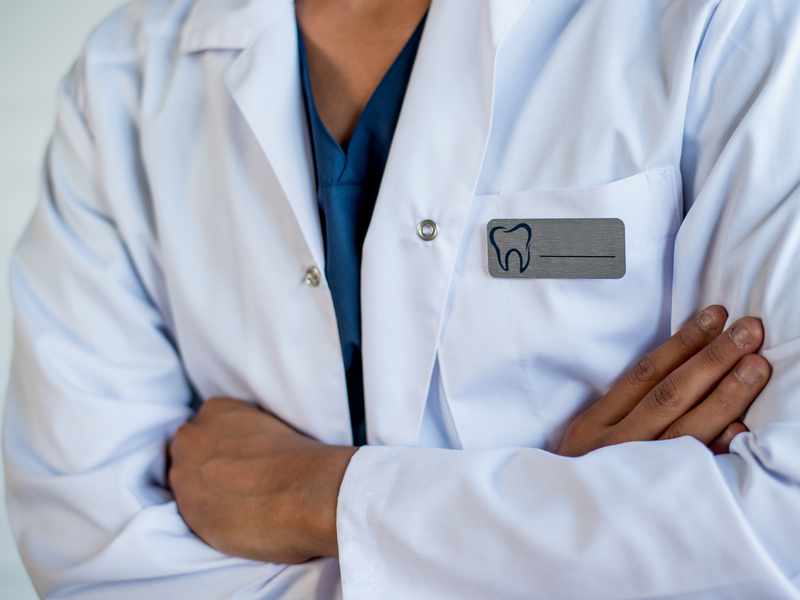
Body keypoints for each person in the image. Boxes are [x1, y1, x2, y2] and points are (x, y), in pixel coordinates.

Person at [4, 0, 800, 598]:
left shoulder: (730, 24)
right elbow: (96, 561)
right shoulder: (123, 88)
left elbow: (780, 531)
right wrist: (568, 532)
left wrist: (317, 495)